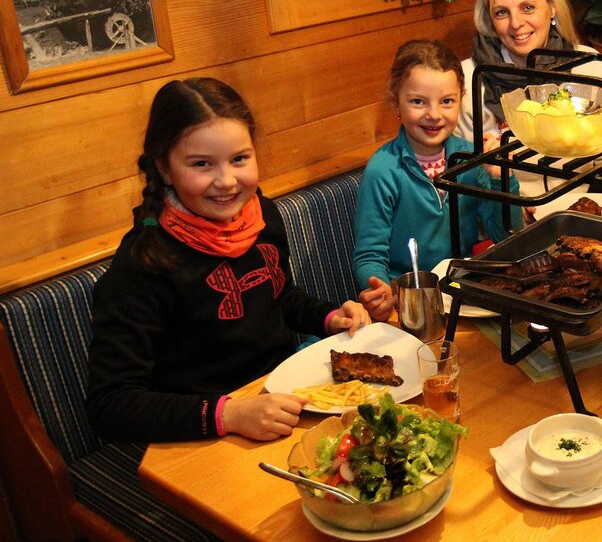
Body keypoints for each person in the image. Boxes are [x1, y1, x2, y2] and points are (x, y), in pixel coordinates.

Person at [86, 78, 383, 445]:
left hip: (279, 400)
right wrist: (229, 414)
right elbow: (110, 405)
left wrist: (329, 317)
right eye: (201, 164)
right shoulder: (143, 264)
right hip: (201, 432)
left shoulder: (262, 216)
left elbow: (277, 296)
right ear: (164, 168)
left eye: (239, 159)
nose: (226, 181)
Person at [459, 0, 602, 197]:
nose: (516, 23)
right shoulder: (469, 78)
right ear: (490, 21)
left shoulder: (589, 66)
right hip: (508, 218)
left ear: (552, 7)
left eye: (528, 8)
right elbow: (470, 177)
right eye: (502, 13)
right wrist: (512, 207)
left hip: (582, 208)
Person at [352, 39, 519, 289]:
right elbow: (369, 257)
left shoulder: (469, 159)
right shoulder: (383, 169)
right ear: (395, 101)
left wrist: (501, 178)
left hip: (461, 288)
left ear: (462, 98)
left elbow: (506, 236)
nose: (434, 114)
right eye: (418, 101)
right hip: (409, 297)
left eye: (447, 101)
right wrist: (381, 290)